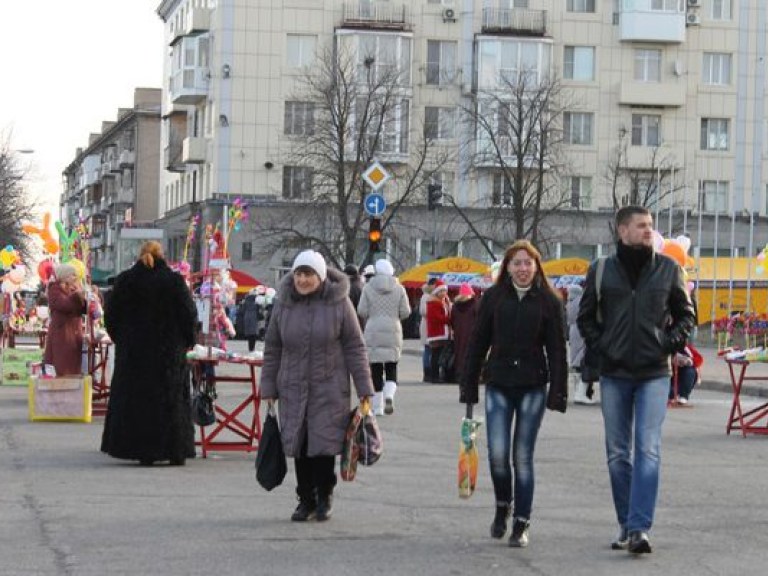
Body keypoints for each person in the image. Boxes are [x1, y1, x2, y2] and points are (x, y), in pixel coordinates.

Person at [577, 206, 695, 554]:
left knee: (647, 449)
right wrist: (604, 348)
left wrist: (668, 344)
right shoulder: (600, 271)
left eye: (651, 226)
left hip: (654, 373)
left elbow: (687, 315)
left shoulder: (669, 269)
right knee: (617, 453)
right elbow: (585, 319)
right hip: (615, 373)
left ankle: (640, 527)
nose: (649, 231)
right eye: (642, 226)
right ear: (622, 231)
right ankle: (627, 524)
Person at [460, 240, 567, 548]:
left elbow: (558, 350)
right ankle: (502, 505)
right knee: (496, 455)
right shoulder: (493, 298)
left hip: (533, 384)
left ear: (536, 267)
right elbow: (478, 342)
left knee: (522, 456)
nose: (522, 269)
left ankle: (521, 522)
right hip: (499, 382)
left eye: (527, 263)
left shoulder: (549, 300)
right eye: (516, 263)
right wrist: (468, 384)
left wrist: (557, 391)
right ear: (507, 267)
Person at [260, 250, 374, 522]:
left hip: (329, 386)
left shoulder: (339, 303)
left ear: (321, 277)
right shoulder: (284, 304)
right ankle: (305, 499)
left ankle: (324, 495)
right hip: (292, 385)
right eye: (298, 273)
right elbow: (273, 347)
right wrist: (268, 387)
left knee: (322, 444)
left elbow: (355, 347)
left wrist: (365, 388)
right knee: (299, 444)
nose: (302, 279)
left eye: (308, 274)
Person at [101, 241, 198, 466]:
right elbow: (188, 314)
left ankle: (144, 451)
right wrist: (188, 341)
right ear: (161, 255)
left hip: (134, 354)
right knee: (170, 401)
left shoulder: (125, 281)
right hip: (168, 353)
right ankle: (176, 450)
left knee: (139, 401)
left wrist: (122, 340)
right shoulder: (174, 281)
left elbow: (111, 315)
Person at [357, 259, 411, 416]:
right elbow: (406, 312)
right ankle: (389, 396)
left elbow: (362, 311)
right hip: (393, 330)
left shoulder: (368, 288)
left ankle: (378, 407)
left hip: (373, 329)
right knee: (391, 366)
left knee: (375, 369)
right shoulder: (399, 288)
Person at [43, 263, 86, 376]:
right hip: (61, 333)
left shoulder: (74, 288)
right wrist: (77, 296)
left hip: (73, 334)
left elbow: (82, 308)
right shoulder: (54, 288)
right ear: (65, 275)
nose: (75, 278)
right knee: (61, 365)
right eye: (72, 275)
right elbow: (63, 305)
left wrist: (87, 300)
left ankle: (71, 389)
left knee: (72, 365)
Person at [566, 284, 595, 405]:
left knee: (576, 356)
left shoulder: (569, 303)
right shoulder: (579, 301)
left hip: (572, 330)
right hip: (580, 331)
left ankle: (578, 387)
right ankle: (580, 391)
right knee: (582, 355)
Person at [450, 282, 478, 383]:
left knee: (459, 353)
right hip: (472, 333)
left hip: (458, 333)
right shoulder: (475, 304)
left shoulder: (455, 306)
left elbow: (451, 320)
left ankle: (459, 374)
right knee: (471, 354)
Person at [425, 280, 452, 383]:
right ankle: (434, 376)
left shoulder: (444, 301)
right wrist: (449, 320)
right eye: (441, 291)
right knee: (436, 355)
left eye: (445, 291)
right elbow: (436, 318)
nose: (443, 293)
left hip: (443, 332)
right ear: (436, 292)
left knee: (441, 355)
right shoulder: (433, 302)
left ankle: (439, 375)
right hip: (437, 333)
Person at [418, 278, 437, 382]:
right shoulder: (425, 296)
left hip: (431, 325)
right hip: (426, 325)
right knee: (428, 349)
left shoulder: (433, 296)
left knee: (431, 349)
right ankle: (427, 372)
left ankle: (430, 371)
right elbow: (423, 311)